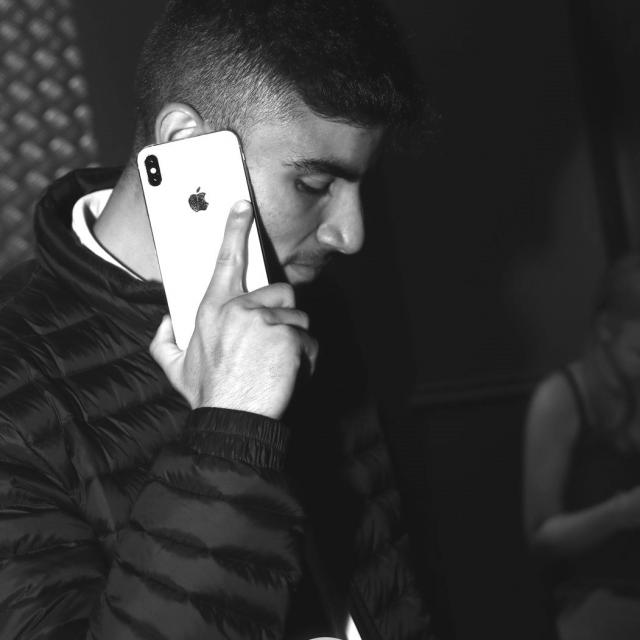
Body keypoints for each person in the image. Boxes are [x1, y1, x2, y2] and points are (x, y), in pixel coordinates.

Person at [0, 1, 436, 638]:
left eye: (358, 187)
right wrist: (231, 429)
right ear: (185, 144)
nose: (350, 234)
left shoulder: (315, 309)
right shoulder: (12, 379)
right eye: (314, 185)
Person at [523, 254, 640, 640]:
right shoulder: (561, 399)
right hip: (597, 602)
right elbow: (542, 538)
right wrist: (620, 513)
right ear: (606, 330)